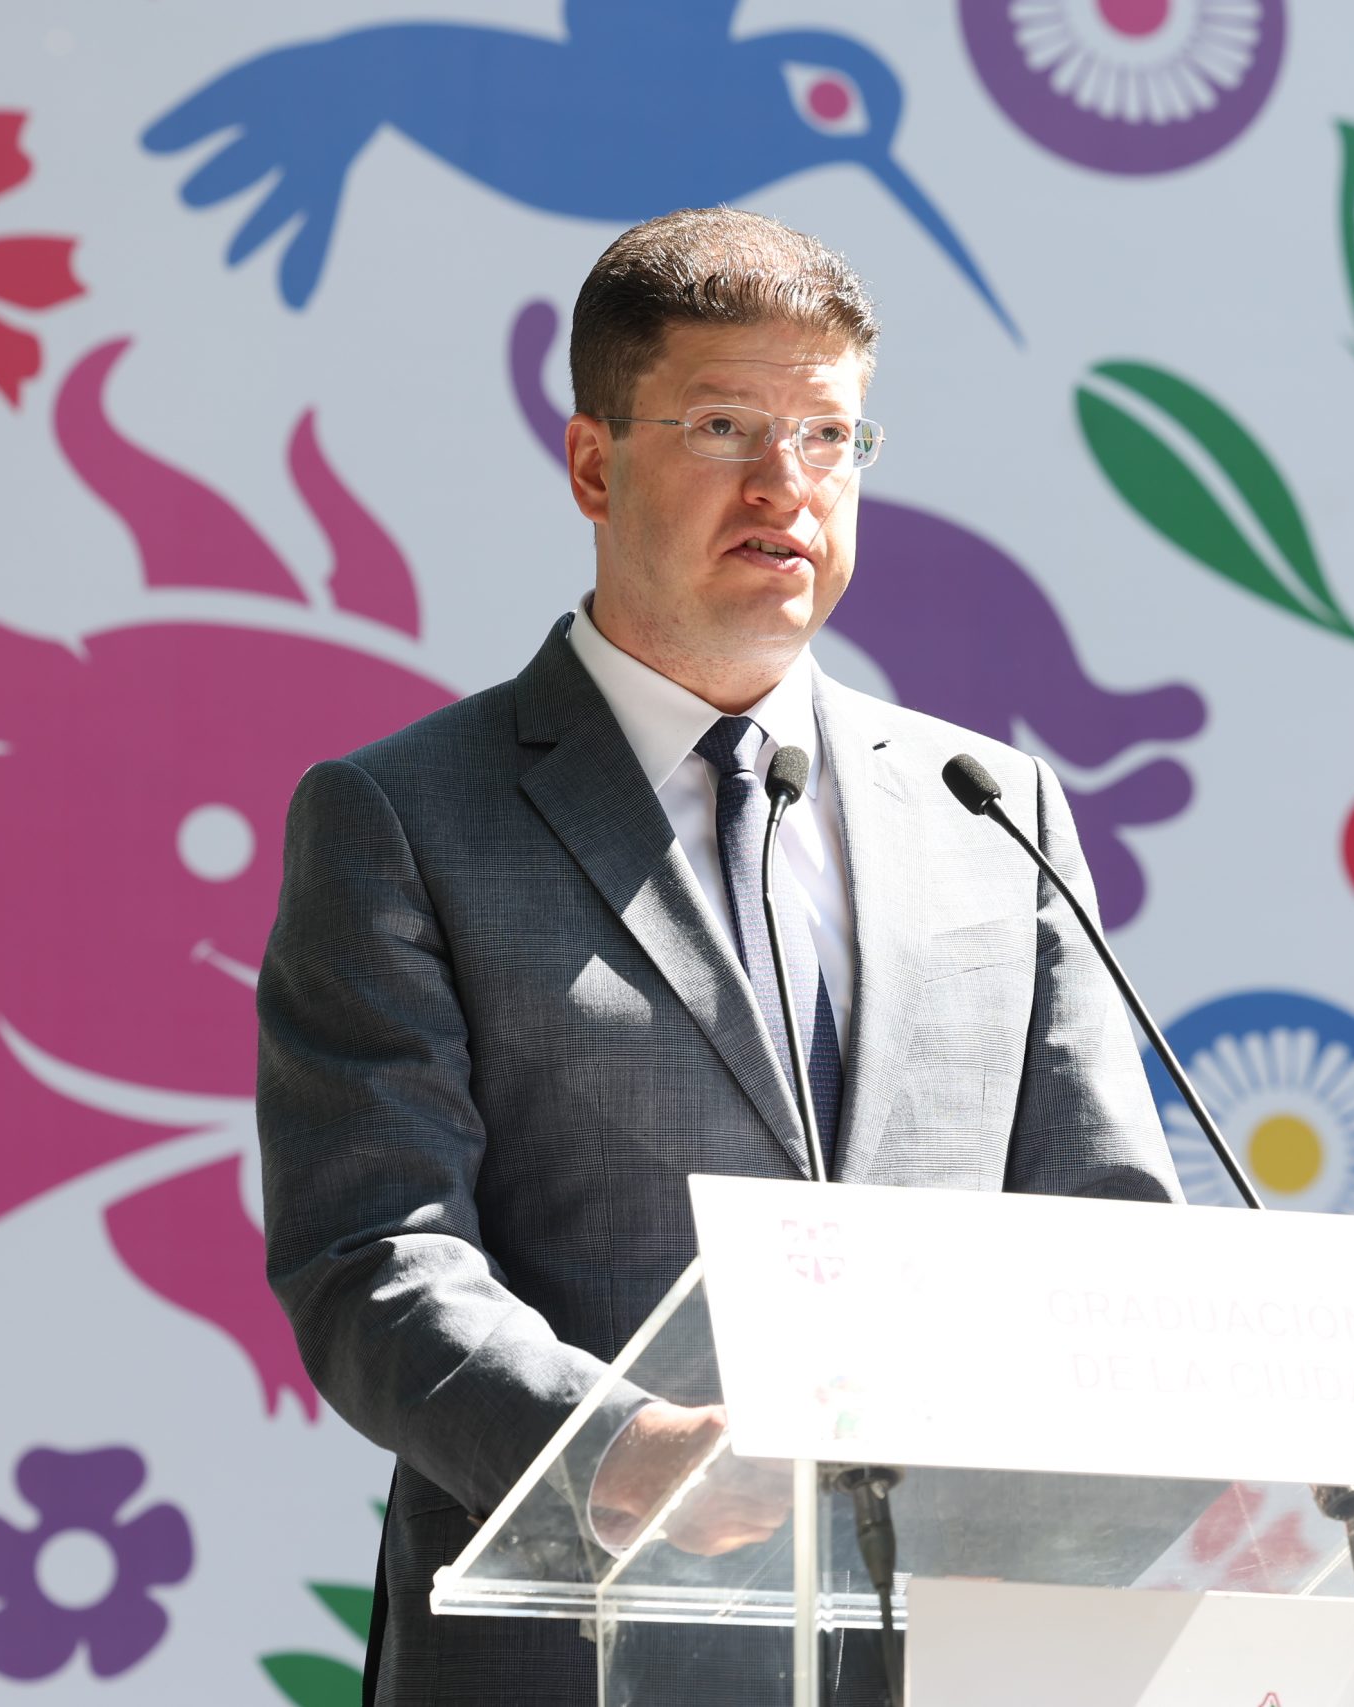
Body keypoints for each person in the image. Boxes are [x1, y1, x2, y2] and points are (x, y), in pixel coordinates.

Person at [255, 206, 1180, 1706]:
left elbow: (1103, 1234)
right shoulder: (406, 818)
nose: (787, 484)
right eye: (726, 424)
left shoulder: (989, 812)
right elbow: (373, 1257)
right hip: (575, 1649)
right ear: (594, 463)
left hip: (949, 1656)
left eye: (831, 435)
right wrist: (614, 1451)